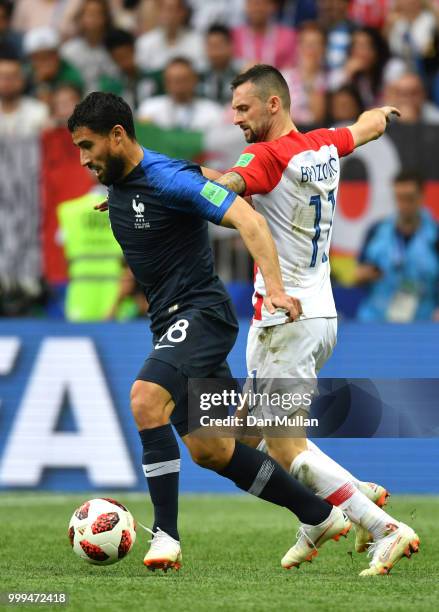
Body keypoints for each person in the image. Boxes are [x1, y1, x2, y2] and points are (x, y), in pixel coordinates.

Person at [68, 91, 350, 573]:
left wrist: (277, 290)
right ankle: (319, 514)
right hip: (170, 320)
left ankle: (166, 538)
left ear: (118, 136)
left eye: (88, 146)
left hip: (201, 315)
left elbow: (249, 218)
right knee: (213, 450)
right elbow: (174, 183)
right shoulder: (131, 182)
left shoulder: (167, 179)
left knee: (145, 399)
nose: (83, 159)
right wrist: (120, 198)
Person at [209, 64, 419, 576]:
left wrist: (154, 181)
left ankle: (383, 527)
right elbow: (365, 127)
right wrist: (383, 114)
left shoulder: (266, 155)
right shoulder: (324, 144)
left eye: (243, 108)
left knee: (284, 447)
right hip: (317, 317)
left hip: (287, 320)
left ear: (273, 104)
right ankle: (339, 499)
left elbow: (228, 185)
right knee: (241, 440)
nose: (235, 118)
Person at [355, 169, 439, 322]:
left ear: (421, 197)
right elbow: (358, 274)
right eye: (399, 198)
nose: (404, 205)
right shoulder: (376, 231)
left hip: (423, 324)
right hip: (376, 321)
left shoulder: (436, 236)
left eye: (409, 198)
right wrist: (365, 274)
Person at [137, 57, 223, 132]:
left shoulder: (213, 111)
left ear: (195, 80)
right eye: (174, 80)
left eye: (184, 80)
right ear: (165, 83)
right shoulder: (148, 109)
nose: (179, 86)